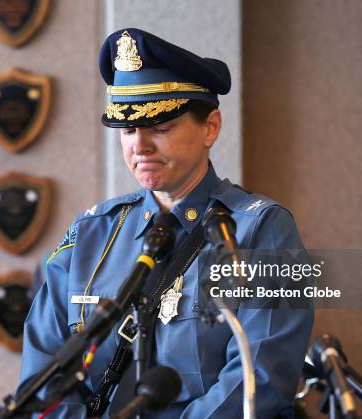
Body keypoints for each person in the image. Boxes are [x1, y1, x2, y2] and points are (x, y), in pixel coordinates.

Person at [18, 28, 314, 419]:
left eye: (160, 128)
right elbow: (43, 372)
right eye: (127, 129)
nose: (139, 146)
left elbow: (260, 378)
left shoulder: (261, 230)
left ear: (210, 127)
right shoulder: (91, 233)